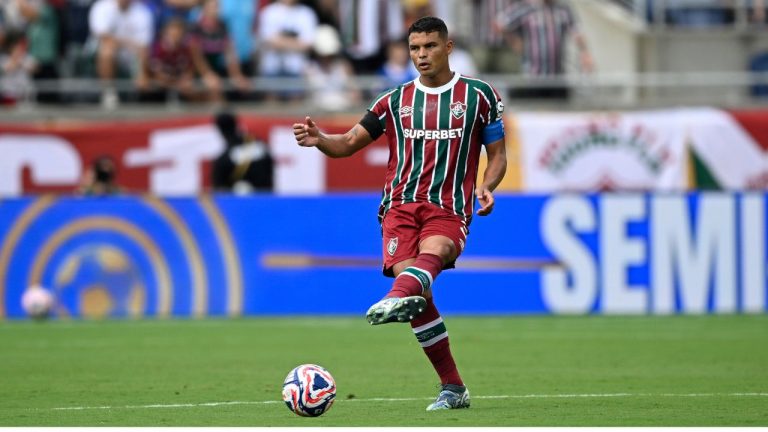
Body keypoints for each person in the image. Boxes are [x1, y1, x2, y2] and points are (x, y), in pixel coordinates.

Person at [293, 16, 507, 411]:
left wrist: (487, 185)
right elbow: (348, 143)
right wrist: (321, 140)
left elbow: (497, 156)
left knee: (438, 251)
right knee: (419, 295)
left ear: (448, 47)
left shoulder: (479, 96)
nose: (421, 55)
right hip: (399, 208)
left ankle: (393, 296)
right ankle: (453, 388)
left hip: (448, 206)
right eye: (415, 48)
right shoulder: (393, 101)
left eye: (429, 46)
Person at [496, 0, 593, 100]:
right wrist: (514, 41)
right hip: (532, 77)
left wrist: (584, 52)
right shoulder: (526, 9)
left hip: (557, 78)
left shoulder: (563, 10)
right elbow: (500, 23)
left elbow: (577, 32)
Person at [211, 110, 274, 193]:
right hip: (265, 199)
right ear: (236, 124)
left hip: (239, 202)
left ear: (219, 130)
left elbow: (220, 190)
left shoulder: (223, 160)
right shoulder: (260, 144)